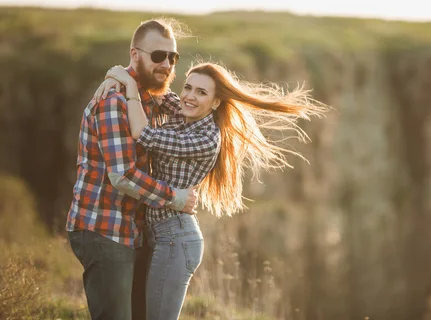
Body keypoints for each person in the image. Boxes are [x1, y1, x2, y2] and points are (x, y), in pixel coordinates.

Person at [93, 59, 330, 319]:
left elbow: (141, 132)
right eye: (188, 87)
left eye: (201, 92)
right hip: (157, 234)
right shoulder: (184, 112)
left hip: (175, 238)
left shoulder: (206, 138)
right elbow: (155, 92)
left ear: (216, 102)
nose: (190, 96)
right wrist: (116, 77)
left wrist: (126, 83)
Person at [65, 18, 200, 320]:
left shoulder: (151, 96)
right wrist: (176, 197)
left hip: (133, 231)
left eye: (172, 57)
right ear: (135, 54)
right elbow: (122, 175)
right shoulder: (112, 101)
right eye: (157, 56)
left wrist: (121, 76)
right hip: (103, 228)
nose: (166, 63)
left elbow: (194, 111)